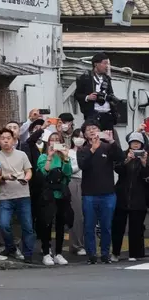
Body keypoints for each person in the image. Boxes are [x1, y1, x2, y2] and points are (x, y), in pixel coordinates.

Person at [77, 120, 124, 264]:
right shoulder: (82, 149)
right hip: (89, 194)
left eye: (95, 128)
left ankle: (105, 254)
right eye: (88, 129)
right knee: (89, 226)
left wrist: (112, 141)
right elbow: (82, 165)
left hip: (108, 193)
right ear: (84, 134)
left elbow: (120, 158)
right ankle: (92, 255)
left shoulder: (108, 147)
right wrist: (92, 149)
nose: (92, 131)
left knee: (106, 226)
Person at [0, 128, 34, 264]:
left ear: (14, 140)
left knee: (27, 225)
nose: (6, 140)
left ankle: (28, 254)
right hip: (6, 196)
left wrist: (26, 179)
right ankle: (11, 247)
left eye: (8, 138)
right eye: (3, 138)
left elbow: (28, 171)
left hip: (23, 194)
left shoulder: (22, 154)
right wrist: (4, 177)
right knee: (3, 224)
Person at [36, 132, 73, 266]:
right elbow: (43, 172)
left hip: (61, 193)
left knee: (60, 224)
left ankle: (58, 253)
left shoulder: (64, 158)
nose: (54, 142)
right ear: (48, 142)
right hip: (48, 194)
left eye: (58, 140)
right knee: (46, 223)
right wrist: (50, 157)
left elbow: (68, 174)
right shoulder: (43, 156)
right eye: (52, 140)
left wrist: (66, 158)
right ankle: (46, 252)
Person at [111, 132, 149, 262]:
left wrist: (144, 163)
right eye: (133, 142)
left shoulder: (146, 156)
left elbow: (146, 176)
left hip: (139, 197)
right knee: (118, 226)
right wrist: (127, 160)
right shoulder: (123, 154)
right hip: (122, 195)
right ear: (129, 143)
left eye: (138, 142)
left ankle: (135, 254)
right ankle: (115, 252)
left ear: (142, 144)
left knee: (136, 227)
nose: (135, 144)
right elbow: (117, 169)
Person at [74, 53, 118, 131]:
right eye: (104, 63)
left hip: (107, 115)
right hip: (93, 115)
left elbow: (111, 94)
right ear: (96, 64)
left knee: (108, 139)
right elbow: (77, 95)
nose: (107, 66)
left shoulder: (107, 79)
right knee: (94, 137)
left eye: (107, 64)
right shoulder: (85, 78)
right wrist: (88, 97)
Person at [67, 129, 87, 256]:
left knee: (88, 215)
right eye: (77, 136)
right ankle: (77, 245)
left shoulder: (87, 151)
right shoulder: (68, 152)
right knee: (77, 215)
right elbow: (68, 169)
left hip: (88, 182)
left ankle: (86, 244)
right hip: (74, 181)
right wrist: (80, 165)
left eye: (82, 137)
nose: (80, 139)